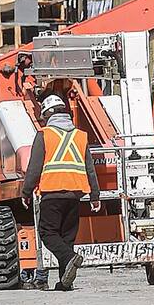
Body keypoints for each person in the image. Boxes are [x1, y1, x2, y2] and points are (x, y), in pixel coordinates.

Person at [21, 94, 100, 291]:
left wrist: (26, 191)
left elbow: (34, 167)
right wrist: (95, 196)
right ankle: (65, 283)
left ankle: (69, 259)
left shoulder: (44, 134)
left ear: (47, 115)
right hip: (74, 195)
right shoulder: (80, 136)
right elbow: (90, 168)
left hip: (52, 193)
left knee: (47, 233)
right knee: (67, 238)